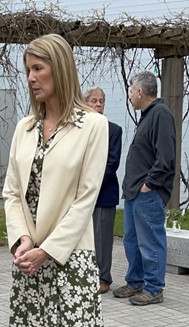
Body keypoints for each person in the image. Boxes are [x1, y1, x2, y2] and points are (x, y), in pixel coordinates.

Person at [2, 34, 108, 326]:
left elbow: (86, 199)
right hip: (28, 261)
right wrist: (22, 240)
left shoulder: (93, 126)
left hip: (69, 257)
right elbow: (11, 192)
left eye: (38, 68)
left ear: (59, 68)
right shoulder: (25, 127)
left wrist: (46, 252)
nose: (31, 78)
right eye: (28, 71)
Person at [113, 71, 176, 306]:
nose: (129, 96)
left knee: (150, 241)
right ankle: (136, 281)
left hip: (147, 193)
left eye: (130, 91)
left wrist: (149, 184)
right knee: (132, 241)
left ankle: (154, 288)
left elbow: (166, 157)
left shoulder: (160, 114)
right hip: (133, 193)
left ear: (140, 92)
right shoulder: (148, 115)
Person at [84, 86, 122, 294]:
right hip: (79, 195)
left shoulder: (113, 130)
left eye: (101, 101)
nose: (98, 104)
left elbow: (111, 163)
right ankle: (85, 275)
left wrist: (89, 184)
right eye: (94, 101)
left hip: (103, 194)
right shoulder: (78, 129)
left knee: (102, 239)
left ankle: (103, 278)